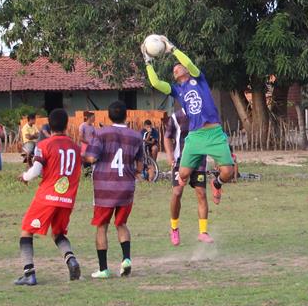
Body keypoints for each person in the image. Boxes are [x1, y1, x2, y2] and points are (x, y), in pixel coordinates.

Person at [143, 39, 235, 242]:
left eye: (179, 66)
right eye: (174, 69)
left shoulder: (198, 79)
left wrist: (172, 49)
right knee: (182, 175)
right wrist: (148, 61)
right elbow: (156, 83)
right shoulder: (177, 90)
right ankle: (175, 228)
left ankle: (217, 184)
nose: (177, 68)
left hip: (214, 133)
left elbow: (189, 63)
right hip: (195, 136)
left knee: (228, 172)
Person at [14, 108, 82, 285]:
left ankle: (29, 274)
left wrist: (25, 176)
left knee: (26, 230)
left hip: (47, 197)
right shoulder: (75, 147)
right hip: (67, 199)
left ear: (48, 125)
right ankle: (71, 259)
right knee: (58, 233)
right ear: (67, 125)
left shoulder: (44, 145)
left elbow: (36, 170)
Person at [83, 100, 144, 278]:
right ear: (126, 115)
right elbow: (140, 167)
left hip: (104, 189)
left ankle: (103, 269)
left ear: (108, 116)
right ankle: (126, 259)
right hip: (126, 187)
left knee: (102, 226)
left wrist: (84, 157)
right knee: (121, 224)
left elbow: (92, 158)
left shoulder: (100, 133)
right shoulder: (136, 136)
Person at [165, 103, 210, 246]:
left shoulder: (203, 115)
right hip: (180, 161)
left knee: (201, 193)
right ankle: (174, 228)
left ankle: (203, 232)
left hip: (199, 160)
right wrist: (170, 155)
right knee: (177, 193)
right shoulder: (176, 116)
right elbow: (167, 137)